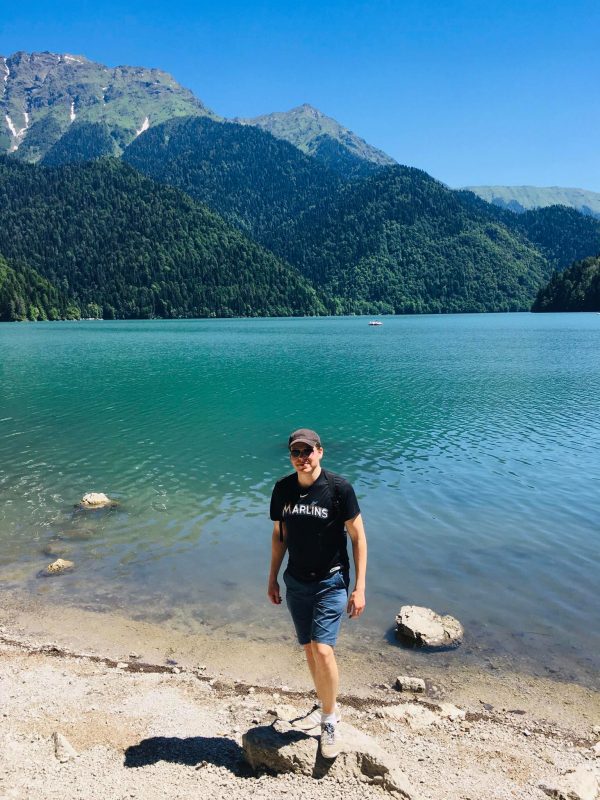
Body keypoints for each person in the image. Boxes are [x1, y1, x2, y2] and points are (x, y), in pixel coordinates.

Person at [267, 428, 367, 759]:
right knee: (309, 648)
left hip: (331, 580)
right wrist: (272, 578)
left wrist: (359, 587)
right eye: (296, 452)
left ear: (320, 452)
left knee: (323, 649)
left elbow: (358, 538)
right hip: (296, 581)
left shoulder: (339, 490)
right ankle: (324, 701)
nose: (302, 458)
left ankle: (329, 718)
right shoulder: (282, 489)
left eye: (307, 451)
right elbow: (279, 536)